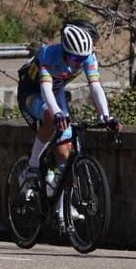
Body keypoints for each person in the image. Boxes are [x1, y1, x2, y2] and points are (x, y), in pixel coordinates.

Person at [17, 22, 114, 193]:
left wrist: (106, 116)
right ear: (65, 51)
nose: (79, 64)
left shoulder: (87, 56)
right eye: (75, 59)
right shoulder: (48, 54)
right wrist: (57, 113)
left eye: (83, 59)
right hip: (32, 92)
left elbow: (96, 87)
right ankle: (32, 166)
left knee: (65, 154)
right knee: (50, 116)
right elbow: (45, 89)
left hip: (57, 90)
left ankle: (62, 209)